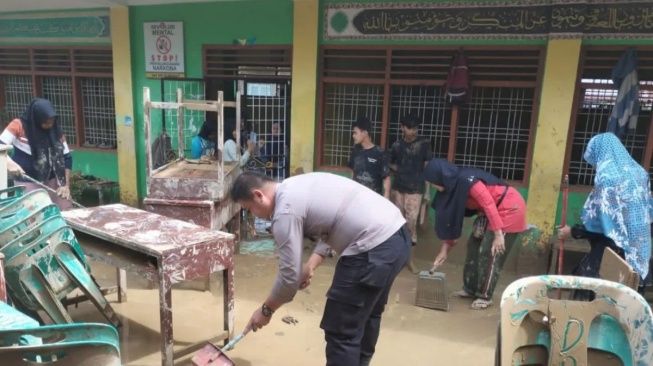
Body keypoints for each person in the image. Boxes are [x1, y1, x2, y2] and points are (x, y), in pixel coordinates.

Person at [230, 172, 410, 366]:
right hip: (397, 237)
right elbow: (336, 220)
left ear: (258, 195)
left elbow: (289, 279)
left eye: (249, 209)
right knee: (367, 315)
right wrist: (310, 265)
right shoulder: (296, 185)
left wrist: (266, 310)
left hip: (371, 248)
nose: (253, 214)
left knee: (341, 330)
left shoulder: (285, 211)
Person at [427, 159, 527, 310]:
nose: (433, 186)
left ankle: (485, 296)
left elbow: (488, 203)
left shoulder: (468, 181)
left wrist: (498, 235)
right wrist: (444, 249)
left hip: (509, 209)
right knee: (473, 244)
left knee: (490, 251)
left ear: (440, 177)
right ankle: (470, 288)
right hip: (487, 213)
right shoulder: (450, 190)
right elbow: (452, 219)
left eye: (433, 182)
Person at [558, 133, 652, 291]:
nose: (595, 165)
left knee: (592, 294)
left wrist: (572, 231)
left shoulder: (607, 178)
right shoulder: (640, 174)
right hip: (640, 251)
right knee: (630, 300)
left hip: (614, 253)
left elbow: (601, 226)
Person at [1, 98, 73, 210]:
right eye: (46, 122)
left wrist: (65, 185)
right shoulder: (18, 125)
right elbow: (1, 146)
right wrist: (9, 163)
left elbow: (67, 158)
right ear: (36, 119)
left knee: (65, 210)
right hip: (27, 180)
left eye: (52, 121)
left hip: (54, 180)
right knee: (36, 214)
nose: (50, 124)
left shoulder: (56, 130)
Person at [389, 113, 432, 271]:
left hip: (416, 190)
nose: (413, 131)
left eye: (415, 128)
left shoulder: (424, 144)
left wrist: (427, 192)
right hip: (398, 189)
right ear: (402, 128)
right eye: (410, 128)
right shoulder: (396, 146)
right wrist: (400, 170)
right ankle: (396, 259)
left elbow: (428, 169)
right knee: (396, 224)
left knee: (411, 225)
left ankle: (409, 260)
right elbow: (389, 164)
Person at [348, 116, 390, 199]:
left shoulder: (380, 153)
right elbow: (352, 173)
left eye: (355, 133)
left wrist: (386, 198)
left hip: (373, 200)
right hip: (356, 198)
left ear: (365, 133)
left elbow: (386, 179)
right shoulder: (355, 151)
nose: (353, 136)